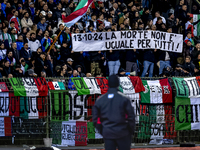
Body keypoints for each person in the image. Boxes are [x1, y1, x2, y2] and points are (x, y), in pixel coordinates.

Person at [93, 74, 135, 150]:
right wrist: (130, 131)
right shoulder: (124, 99)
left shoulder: (100, 100)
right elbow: (131, 117)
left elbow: (96, 119)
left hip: (107, 132)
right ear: (118, 84)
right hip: (123, 132)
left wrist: (102, 131)